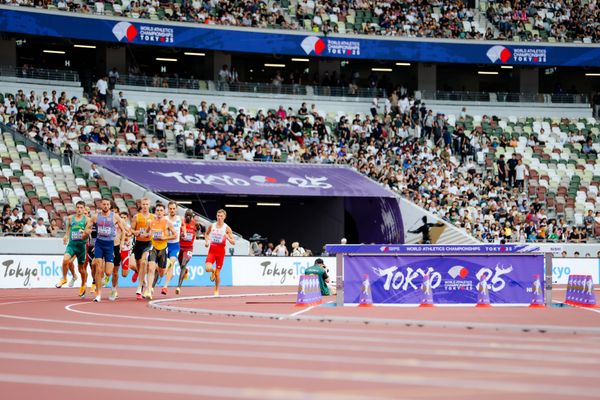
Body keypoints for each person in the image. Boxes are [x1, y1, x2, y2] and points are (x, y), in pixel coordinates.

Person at [90, 198, 129, 302]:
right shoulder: (98, 217)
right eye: (104, 204)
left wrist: (123, 242)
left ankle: (113, 289)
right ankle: (98, 294)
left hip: (114, 246)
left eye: (108, 205)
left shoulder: (117, 218)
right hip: (101, 244)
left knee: (111, 272)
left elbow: (126, 231)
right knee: (98, 267)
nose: (106, 206)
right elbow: (90, 228)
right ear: (101, 205)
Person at [57, 201, 91, 297]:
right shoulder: (70, 218)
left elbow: (88, 233)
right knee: (65, 260)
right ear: (76, 208)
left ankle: (83, 284)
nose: (79, 209)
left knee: (81, 269)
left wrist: (83, 232)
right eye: (78, 207)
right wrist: (66, 236)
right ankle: (64, 278)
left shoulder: (87, 220)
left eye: (81, 207)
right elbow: (68, 230)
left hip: (82, 247)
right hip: (71, 245)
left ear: (84, 209)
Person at [144, 203, 176, 300]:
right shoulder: (150, 222)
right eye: (157, 210)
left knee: (161, 273)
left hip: (163, 249)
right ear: (155, 212)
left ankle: (169, 264)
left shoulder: (167, 223)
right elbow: (147, 232)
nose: (159, 212)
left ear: (164, 212)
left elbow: (175, 235)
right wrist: (147, 234)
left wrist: (164, 237)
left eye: (161, 210)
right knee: (151, 268)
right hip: (153, 248)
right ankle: (149, 290)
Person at [204, 209, 235, 296]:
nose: (219, 218)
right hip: (212, 250)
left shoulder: (226, 228)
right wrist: (206, 242)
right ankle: (213, 271)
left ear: (224, 217)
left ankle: (216, 290)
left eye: (221, 216)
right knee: (207, 268)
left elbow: (233, 242)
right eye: (218, 216)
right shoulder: (212, 226)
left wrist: (228, 238)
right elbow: (206, 234)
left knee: (218, 273)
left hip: (220, 252)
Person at [131, 198, 154, 300]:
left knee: (144, 262)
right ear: (141, 205)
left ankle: (139, 288)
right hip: (138, 244)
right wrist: (135, 232)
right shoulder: (136, 217)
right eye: (143, 204)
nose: (145, 206)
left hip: (148, 244)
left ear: (149, 205)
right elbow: (132, 229)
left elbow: (154, 231)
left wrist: (148, 234)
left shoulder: (153, 218)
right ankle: (144, 283)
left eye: (146, 204)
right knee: (139, 266)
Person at [176, 210, 202, 295]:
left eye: (189, 216)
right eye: (186, 215)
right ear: (185, 215)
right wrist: (181, 235)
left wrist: (198, 229)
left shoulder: (194, 223)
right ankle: (185, 271)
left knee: (183, 264)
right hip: (180, 247)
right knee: (181, 266)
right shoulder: (181, 222)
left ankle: (178, 287)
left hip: (189, 248)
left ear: (192, 217)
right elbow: (176, 234)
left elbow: (198, 233)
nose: (188, 217)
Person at [162, 201, 183, 295]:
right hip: (165, 245)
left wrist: (184, 232)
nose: (172, 210)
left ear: (176, 209)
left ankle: (165, 287)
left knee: (171, 262)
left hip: (175, 246)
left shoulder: (180, 218)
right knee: (163, 268)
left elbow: (184, 226)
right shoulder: (164, 219)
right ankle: (170, 274)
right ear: (168, 209)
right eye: (170, 208)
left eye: (174, 208)